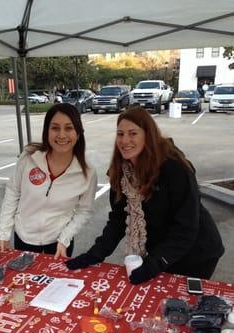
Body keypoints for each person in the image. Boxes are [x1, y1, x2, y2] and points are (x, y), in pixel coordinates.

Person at [66, 107, 224, 283]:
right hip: (161, 251)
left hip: (196, 254)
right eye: (120, 134)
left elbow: (185, 228)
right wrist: (94, 255)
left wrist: (153, 265)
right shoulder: (121, 172)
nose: (125, 140)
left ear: (148, 135)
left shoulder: (174, 169)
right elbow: (119, 219)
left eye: (133, 133)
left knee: (179, 305)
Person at [0, 103, 97, 259]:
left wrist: (65, 239)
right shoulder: (29, 157)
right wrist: (3, 232)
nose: (62, 135)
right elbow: (13, 191)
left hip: (59, 243)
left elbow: (84, 210)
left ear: (78, 133)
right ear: (46, 131)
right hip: (24, 237)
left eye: (69, 128)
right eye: (55, 128)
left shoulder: (87, 172)